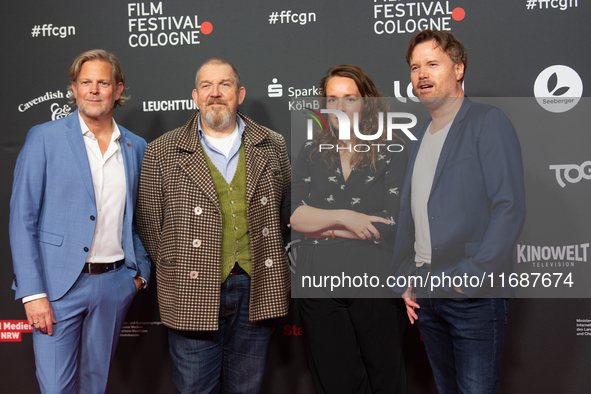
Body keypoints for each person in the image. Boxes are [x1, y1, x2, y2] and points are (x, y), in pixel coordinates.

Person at [135, 57, 291, 394]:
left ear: (240, 93)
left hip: (256, 288)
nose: (215, 93)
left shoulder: (273, 145)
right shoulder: (162, 151)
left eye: (225, 85)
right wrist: (177, 267)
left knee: (247, 389)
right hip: (191, 290)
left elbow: (284, 213)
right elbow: (149, 224)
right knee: (194, 389)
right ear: (195, 96)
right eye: (206, 86)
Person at [390, 30, 526, 393]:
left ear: (459, 68)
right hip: (427, 293)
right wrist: (407, 274)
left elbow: (509, 206)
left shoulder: (487, 122)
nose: (422, 74)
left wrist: (474, 275)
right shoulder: (418, 136)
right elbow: (415, 213)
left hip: (473, 296)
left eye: (433, 64)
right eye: (415, 67)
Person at [9, 49, 150, 394]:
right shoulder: (44, 137)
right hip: (57, 290)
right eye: (86, 82)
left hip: (114, 284)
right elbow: (22, 218)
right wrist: (33, 293)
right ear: (74, 88)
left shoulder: (135, 146)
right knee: (56, 388)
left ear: (118, 90)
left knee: (95, 386)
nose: (94, 90)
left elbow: (139, 219)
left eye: (103, 83)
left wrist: (139, 275)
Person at [290, 64, 408, 393]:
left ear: (366, 102)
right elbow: (297, 219)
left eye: (350, 99)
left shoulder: (392, 147)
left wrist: (323, 227)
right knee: (335, 382)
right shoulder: (311, 151)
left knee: (385, 378)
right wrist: (347, 218)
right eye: (332, 99)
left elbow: (391, 222)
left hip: (375, 277)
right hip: (318, 281)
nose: (341, 108)